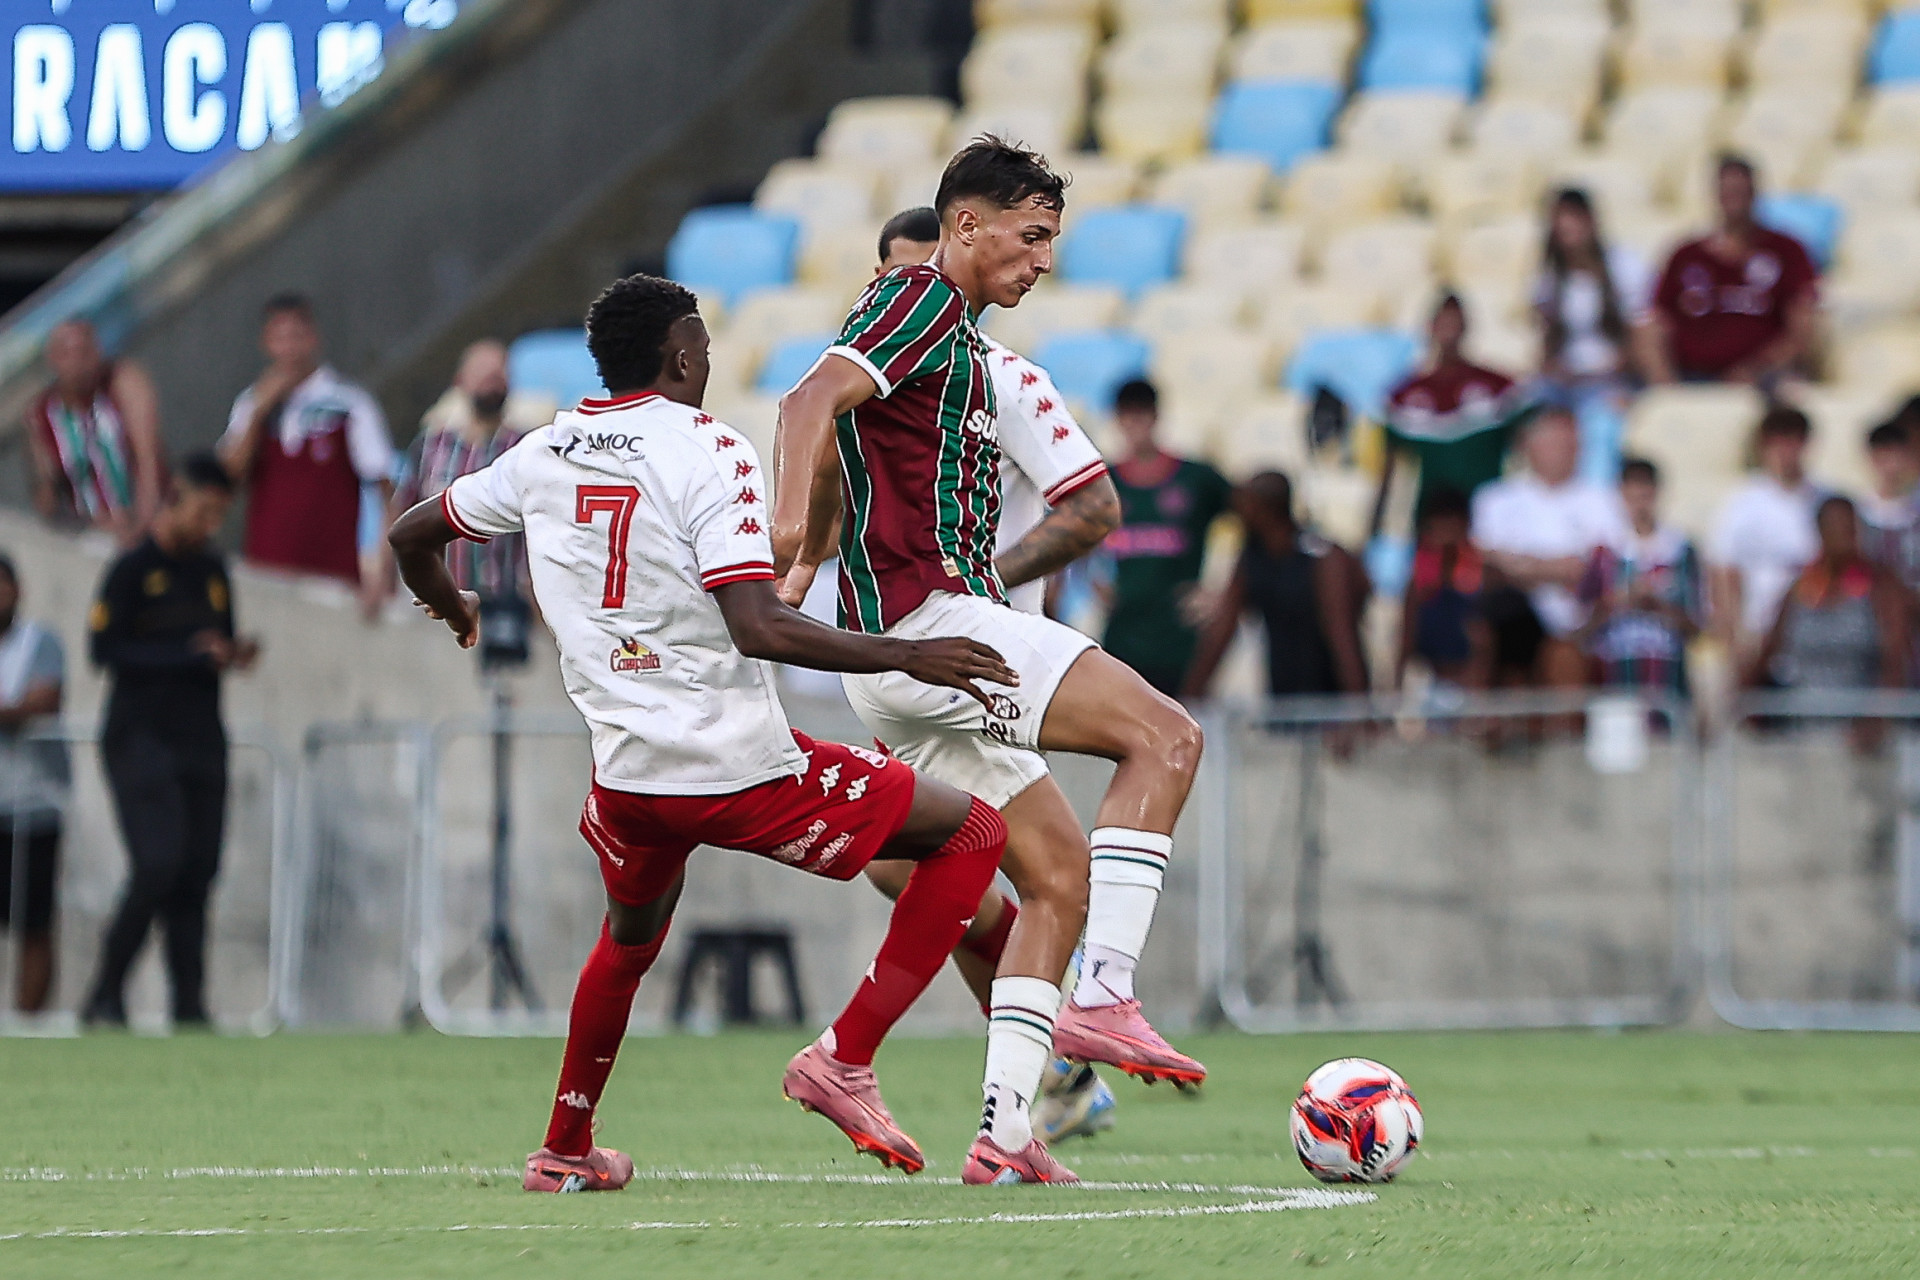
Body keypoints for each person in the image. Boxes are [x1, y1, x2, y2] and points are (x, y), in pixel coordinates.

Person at [390, 273, 1020, 1191]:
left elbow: (412, 534)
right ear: (682, 356)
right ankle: (845, 1056)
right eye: (707, 350)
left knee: (627, 942)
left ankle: (565, 1150)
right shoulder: (709, 449)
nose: (712, 363)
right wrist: (906, 656)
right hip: (734, 766)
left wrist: (452, 604)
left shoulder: (543, 452)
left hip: (629, 779)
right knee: (971, 832)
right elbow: (757, 627)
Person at [773, 137, 1209, 1185]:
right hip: (937, 625)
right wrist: (785, 544)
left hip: (906, 658)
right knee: (1167, 735)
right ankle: (1105, 990)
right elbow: (803, 407)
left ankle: (1007, 1129)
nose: (1043, 261)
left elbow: (845, 443)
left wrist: (808, 560)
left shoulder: (961, 343)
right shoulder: (919, 298)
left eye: (1050, 240)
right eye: (1032, 235)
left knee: (1052, 875)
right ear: (966, 225)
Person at [855, 206, 1123, 1146]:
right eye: (891, 279)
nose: (907, 295)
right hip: (898, 656)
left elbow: (1090, 508)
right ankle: (1050, 1062)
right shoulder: (880, 383)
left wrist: (976, 585)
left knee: (995, 870)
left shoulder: (994, 384)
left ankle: (1068, 1038)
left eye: (919, 275)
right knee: (918, 872)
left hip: (982, 664)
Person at [83, 455, 259, 1028]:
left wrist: (231, 655)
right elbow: (105, 651)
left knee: (197, 872)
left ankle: (189, 1005)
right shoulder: (132, 570)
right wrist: (185, 655)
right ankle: (106, 991)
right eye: (204, 511)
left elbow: (220, 640)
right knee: (157, 862)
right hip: (140, 738)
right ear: (176, 496)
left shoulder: (211, 572)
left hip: (202, 738)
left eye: (220, 515)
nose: (210, 525)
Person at [218, 295, 396, 617]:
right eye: (279, 339)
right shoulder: (251, 404)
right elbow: (226, 479)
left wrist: (382, 568)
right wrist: (259, 411)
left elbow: (385, 490)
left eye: (296, 337)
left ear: (313, 338)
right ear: (265, 344)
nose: (288, 349)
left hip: (335, 578)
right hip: (266, 573)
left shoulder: (349, 403)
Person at [1471, 407, 1627, 687]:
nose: (1569, 451)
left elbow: (1595, 566)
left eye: (1573, 444)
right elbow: (1489, 563)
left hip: (1584, 619)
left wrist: (1524, 565)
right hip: (1515, 618)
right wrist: (1558, 567)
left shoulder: (1602, 499)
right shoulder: (1496, 499)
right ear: (1529, 447)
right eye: (1557, 444)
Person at [1098, 378, 1236, 697]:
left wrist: (1223, 592)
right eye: (1127, 416)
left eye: (1142, 415)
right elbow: (1063, 533)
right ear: (1117, 420)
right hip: (1124, 634)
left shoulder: (1197, 479)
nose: (1135, 425)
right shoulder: (1105, 482)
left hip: (1181, 635)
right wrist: (1089, 579)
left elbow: (1255, 518)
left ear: (1156, 417)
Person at [1183, 471, 1370, 699]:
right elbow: (1222, 630)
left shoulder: (1320, 557)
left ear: (1266, 508)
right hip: (1284, 697)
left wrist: (1358, 707)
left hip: (1330, 698)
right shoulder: (1251, 558)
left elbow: (1341, 635)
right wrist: (1189, 699)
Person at [393, 340, 549, 608]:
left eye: (499, 373)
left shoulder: (527, 449)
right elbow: (402, 511)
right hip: (437, 601)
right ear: (459, 381)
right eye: (482, 372)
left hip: (507, 604)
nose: (493, 379)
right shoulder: (430, 446)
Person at [1645, 155, 1819, 387]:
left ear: (1754, 194)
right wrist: (1665, 383)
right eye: (1727, 191)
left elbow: (1802, 325)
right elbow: (1657, 322)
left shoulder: (1785, 251)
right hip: (1691, 376)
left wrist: (1757, 368)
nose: (1733, 199)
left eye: (1740, 191)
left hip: (1763, 379)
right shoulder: (1686, 255)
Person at [1380, 294, 1530, 521]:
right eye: (1443, 325)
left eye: (1455, 325)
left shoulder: (1497, 387)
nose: (1449, 334)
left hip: (1488, 516)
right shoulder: (1405, 396)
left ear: (1466, 328)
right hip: (1430, 520)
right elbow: (1389, 469)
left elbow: (1523, 451)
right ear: (1429, 328)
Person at [1750, 496, 1909, 699]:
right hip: (1803, 715)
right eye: (1837, 526)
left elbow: (1895, 659)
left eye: (1850, 526)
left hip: (1861, 713)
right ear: (1821, 531)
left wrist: (1880, 715)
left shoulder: (1880, 585)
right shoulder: (1800, 588)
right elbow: (1767, 652)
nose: (1846, 535)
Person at [23, 319, 165, 544]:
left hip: (143, 526)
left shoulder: (122, 384)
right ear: (53, 360)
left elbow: (149, 463)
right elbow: (46, 499)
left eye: (85, 351)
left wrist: (138, 525)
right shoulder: (41, 414)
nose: (79, 362)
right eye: (68, 354)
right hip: (88, 535)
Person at [0, 554, 67, 1013]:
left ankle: (28, 1020)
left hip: (31, 804)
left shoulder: (38, 642)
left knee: (34, 921)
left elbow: (44, 699)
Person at [1576, 458, 1704, 694]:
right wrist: (1619, 601)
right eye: (1633, 498)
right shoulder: (1605, 552)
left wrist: (1658, 606)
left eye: (1645, 496)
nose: (1640, 507)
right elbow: (1582, 626)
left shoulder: (1681, 550)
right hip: (1615, 671)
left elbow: (1697, 624)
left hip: (1667, 673)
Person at [1708, 406, 1824, 664]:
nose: (1785, 451)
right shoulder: (1742, 504)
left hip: (1811, 631)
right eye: (1777, 442)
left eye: (1792, 440)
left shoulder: (1825, 502)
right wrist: (1733, 637)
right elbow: (1724, 572)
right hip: (1756, 632)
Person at [1393, 487, 1491, 691]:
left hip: (1470, 681)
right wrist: (1396, 687)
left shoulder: (1482, 574)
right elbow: (1406, 636)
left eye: (1452, 531)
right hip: (1430, 676)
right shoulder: (1418, 579)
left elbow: (1484, 641)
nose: (1445, 539)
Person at [1856, 419, 1920, 681]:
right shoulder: (1856, 515)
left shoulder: (1915, 514)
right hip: (1869, 626)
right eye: (1883, 454)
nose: (1891, 465)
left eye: (1897, 454)